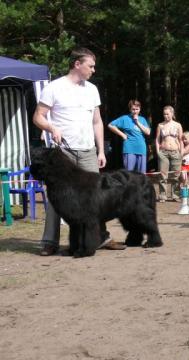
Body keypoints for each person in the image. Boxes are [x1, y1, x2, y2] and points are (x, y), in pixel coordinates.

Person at [33, 47, 124, 256]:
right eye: (90, 66)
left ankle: (101, 238)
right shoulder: (54, 88)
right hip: (62, 153)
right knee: (57, 197)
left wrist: (101, 150)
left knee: (96, 198)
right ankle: (50, 242)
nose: (93, 70)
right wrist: (51, 127)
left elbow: (97, 121)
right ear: (77, 64)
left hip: (87, 151)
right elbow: (38, 116)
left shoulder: (92, 89)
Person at [107, 99, 150, 173]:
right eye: (133, 109)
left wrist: (137, 122)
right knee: (129, 174)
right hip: (129, 148)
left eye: (137, 109)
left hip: (141, 148)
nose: (135, 111)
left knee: (141, 174)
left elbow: (148, 132)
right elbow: (110, 125)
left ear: (140, 109)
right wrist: (122, 134)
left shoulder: (142, 119)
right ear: (130, 109)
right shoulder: (125, 118)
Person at [155, 105, 183, 202]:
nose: (166, 116)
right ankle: (163, 195)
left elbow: (181, 140)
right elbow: (157, 139)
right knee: (163, 175)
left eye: (167, 114)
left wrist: (181, 153)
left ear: (172, 113)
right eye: (164, 114)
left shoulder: (178, 125)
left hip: (176, 152)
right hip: (163, 152)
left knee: (176, 175)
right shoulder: (160, 125)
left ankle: (175, 195)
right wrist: (158, 151)